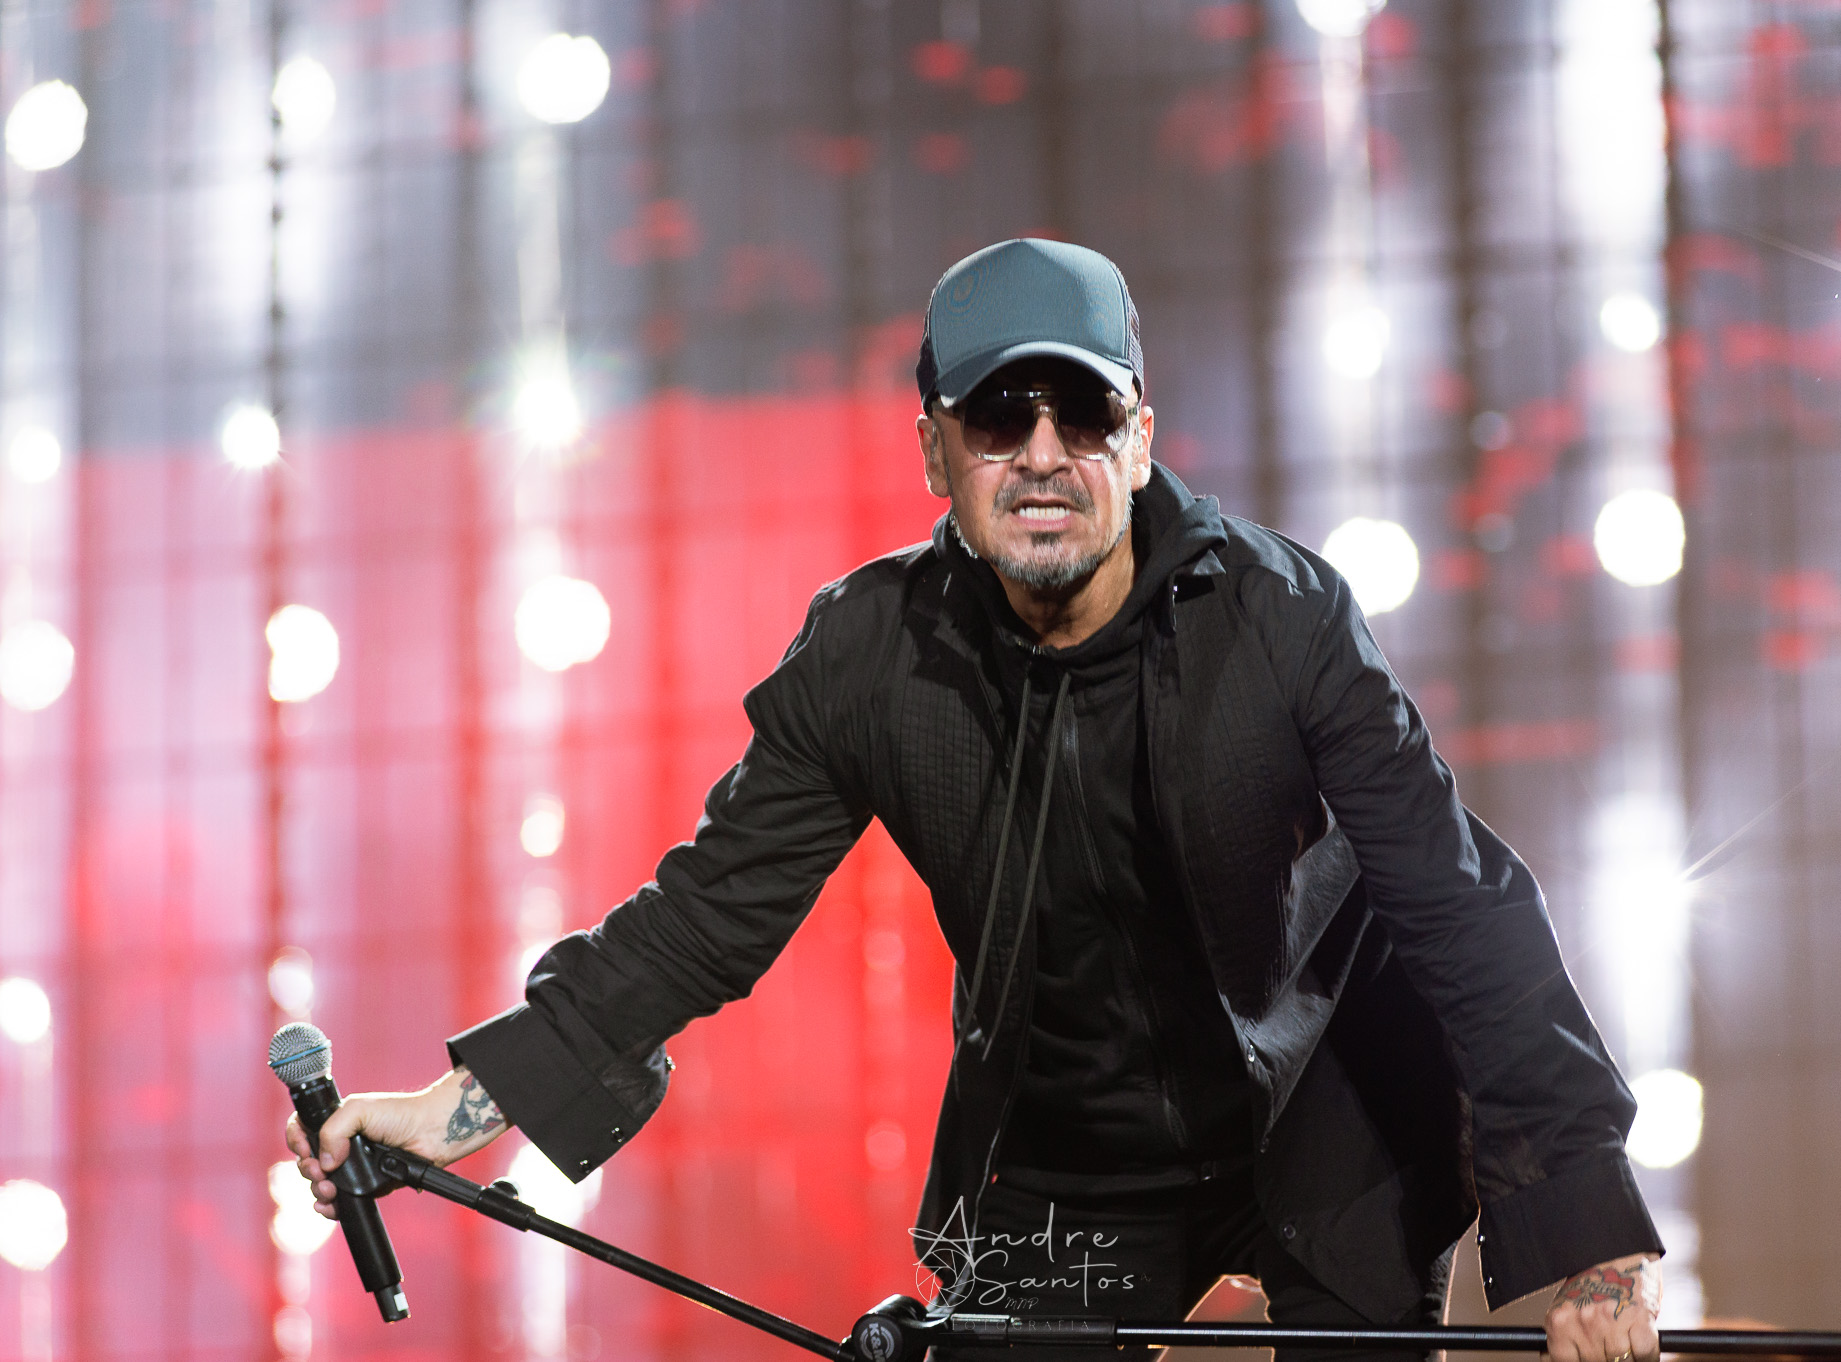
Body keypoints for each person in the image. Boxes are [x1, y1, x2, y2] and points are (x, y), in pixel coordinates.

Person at [287, 238, 1664, 1362]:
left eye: (1085, 413)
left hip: (1332, 1125)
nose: (1044, 453)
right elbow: (705, 917)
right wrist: (461, 1104)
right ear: (936, 451)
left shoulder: (1283, 617)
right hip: (1067, 1165)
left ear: (1139, 440)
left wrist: (1591, 1234)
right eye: (1001, 418)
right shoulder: (869, 654)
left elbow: (1460, 906)